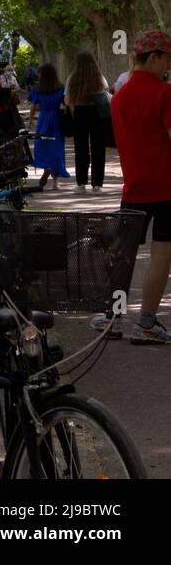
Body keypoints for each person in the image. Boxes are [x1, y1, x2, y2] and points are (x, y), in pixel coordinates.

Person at [111, 30, 171, 343]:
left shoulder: (120, 96)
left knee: (124, 254)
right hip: (166, 187)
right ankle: (145, 323)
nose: (168, 66)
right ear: (154, 57)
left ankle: (111, 318)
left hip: (132, 186)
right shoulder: (164, 93)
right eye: (166, 59)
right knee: (162, 253)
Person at [65, 49, 110, 190]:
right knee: (98, 149)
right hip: (97, 113)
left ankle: (81, 183)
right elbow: (106, 92)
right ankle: (97, 184)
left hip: (79, 113)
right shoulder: (99, 77)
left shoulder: (72, 78)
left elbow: (67, 100)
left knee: (80, 149)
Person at [27, 63, 68, 189]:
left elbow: (33, 106)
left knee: (43, 147)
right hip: (56, 120)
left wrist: (30, 121)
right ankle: (55, 182)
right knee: (57, 149)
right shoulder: (60, 88)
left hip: (43, 120)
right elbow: (66, 104)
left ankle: (46, 167)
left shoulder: (38, 89)